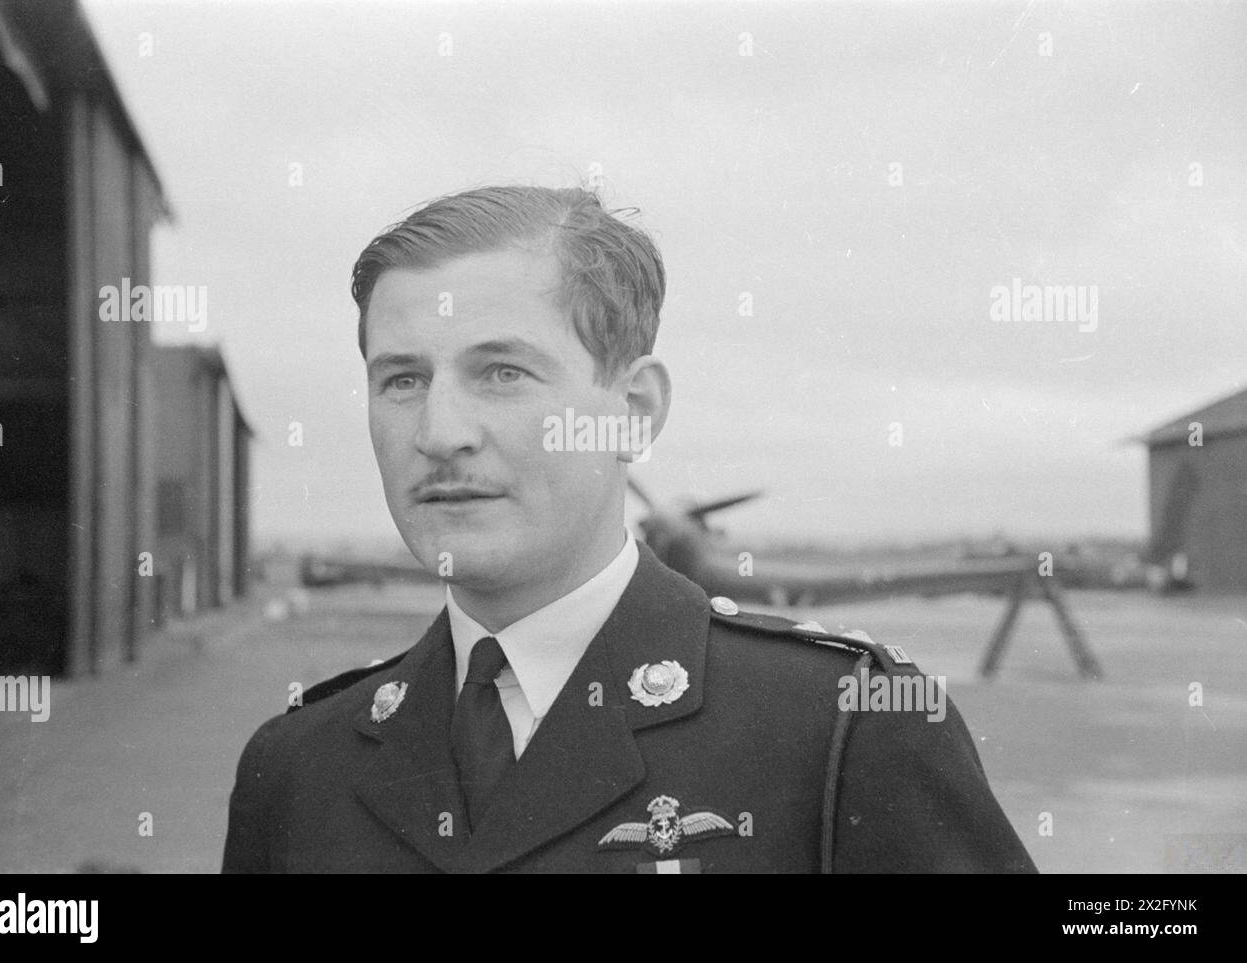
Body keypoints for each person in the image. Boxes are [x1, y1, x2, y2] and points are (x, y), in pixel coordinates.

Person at [221, 185, 1035, 873]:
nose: (440, 431)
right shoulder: (296, 768)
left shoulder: (843, 732)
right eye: (402, 379)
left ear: (633, 412)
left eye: (502, 373)